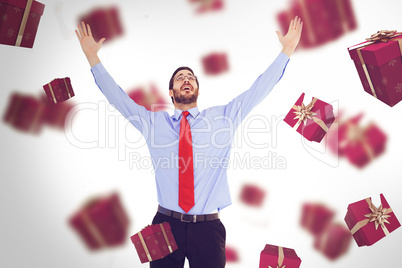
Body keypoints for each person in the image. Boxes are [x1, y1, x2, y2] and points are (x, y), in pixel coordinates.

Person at [75, 16, 302, 268]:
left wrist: (287, 51)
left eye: (190, 77)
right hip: (163, 225)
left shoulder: (224, 117)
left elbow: (258, 89)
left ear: (197, 89)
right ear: (171, 92)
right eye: (180, 77)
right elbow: (119, 99)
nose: (186, 79)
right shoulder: (153, 123)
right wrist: (93, 59)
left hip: (208, 227)